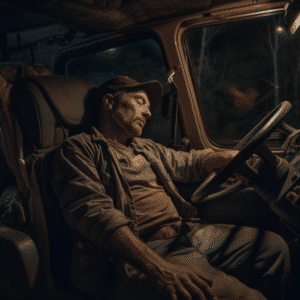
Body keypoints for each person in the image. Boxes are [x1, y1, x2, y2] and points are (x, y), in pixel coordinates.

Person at [51, 76, 291, 300]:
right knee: (242, 296)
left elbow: (189, 163)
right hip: (145, 251)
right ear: (109, 101)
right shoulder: (78, 150)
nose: (147, 112)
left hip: (185, 233)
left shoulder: (145, 147)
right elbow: (95, 215)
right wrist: (159, 268)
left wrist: (223, 157)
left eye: (148, 107)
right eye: (139, 101)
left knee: (273, 248)